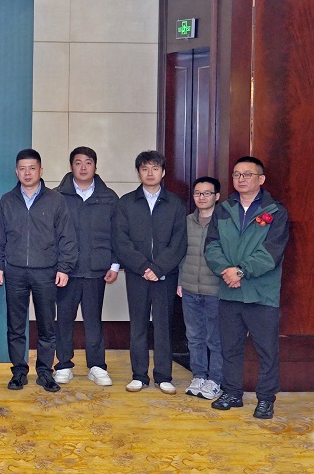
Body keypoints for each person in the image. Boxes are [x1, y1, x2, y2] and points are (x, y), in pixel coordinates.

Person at [206, 157, 289, 419]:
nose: (241, 179)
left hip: (261, 293)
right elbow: (211, 246)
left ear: (261, 179)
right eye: (236, 174)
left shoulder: (275, 211)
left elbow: (272, 252)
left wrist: (241, 271)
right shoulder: (223, 209)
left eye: (247, 174)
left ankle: (265, 399)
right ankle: (232, 392)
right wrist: (227, 271)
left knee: (267, 350)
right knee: (229, 347)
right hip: (229, 291)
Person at [0, 148, 77, 393]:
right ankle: (19, 372)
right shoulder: (7, 200)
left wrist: (64, 268)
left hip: (46, 272)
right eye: (22, 169)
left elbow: (67, 237)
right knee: (16, 326)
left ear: (41, 170)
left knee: (47, 325)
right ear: (16, 172)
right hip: (15, 271)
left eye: (32, 168)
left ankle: (44, 372)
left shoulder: (55, 200)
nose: (27, 173)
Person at [113, 150, 187, 395]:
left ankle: (163, 376)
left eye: (155, 168)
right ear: (139, 173)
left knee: (164, 326)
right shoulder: (126, 203)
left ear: (163, 172)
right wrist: (144, 267)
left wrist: (158, 268)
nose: (150, 173)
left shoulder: (175, 203)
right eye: (145, 168)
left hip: (165, 276)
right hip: (138, 275)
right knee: (138, 325)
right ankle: (139, 375)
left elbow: (179, 242)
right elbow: (120, 241)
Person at [52, 147, 120, 387]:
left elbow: (117, 233)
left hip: (96, 270)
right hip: (66, 271)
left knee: (94, 320)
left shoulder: (109, 197)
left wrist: (114, 264)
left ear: (95, 166)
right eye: (78, 162)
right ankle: (63, 365)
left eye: (88, 162)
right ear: (71, 166)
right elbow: (51, 234)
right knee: (64, 320)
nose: (83, 167)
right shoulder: (57, 196)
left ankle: (97, 366)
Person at [178, 176, 223, 400]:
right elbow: (179, 253)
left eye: (207, 193)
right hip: (189, 288)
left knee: (215, 339)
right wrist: (179, 281)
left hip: (215, 290)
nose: (201, 197)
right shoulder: (186, 222)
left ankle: (215, 380)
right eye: (197, 193)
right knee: (194, 336)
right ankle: (198, 376)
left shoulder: (224, 223)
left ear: (217, 196)